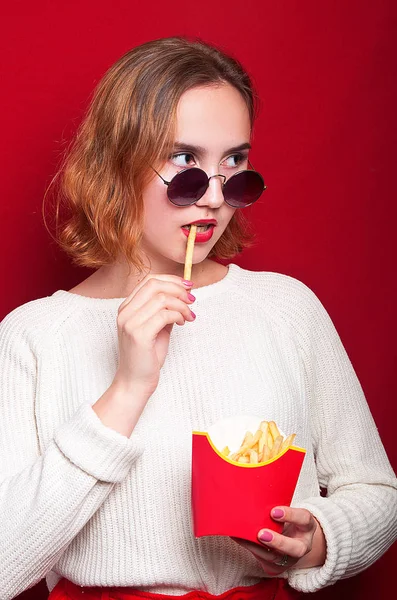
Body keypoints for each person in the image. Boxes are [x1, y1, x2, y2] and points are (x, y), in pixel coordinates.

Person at [0, 37, 396, 600]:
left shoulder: (285, 308)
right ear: (116, 164)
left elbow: (375, 489)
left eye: (235, 164)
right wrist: (127, 389)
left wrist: (316, 541)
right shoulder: (33, 337)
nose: (213, 197)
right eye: (185, 162)